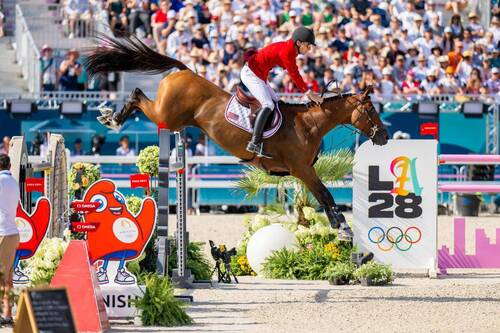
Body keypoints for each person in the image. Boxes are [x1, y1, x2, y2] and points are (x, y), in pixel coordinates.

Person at [240, 26, 323, 158]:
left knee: (277, 104)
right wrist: (308, 93)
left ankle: (269, 141)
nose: (309, 49)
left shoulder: (290, 49)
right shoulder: (287, 51)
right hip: (251, 74)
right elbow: (294, 74)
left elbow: (290, 69)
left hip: (260, 76)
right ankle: (254, 142)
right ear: (299, 43)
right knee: (268, 104)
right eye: (308, 46)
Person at [0, 154, 20, 326]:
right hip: (11, 232)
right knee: (8, 278)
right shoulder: (13, 181)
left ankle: (6, 315)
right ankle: (7, 314)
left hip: (3, 233)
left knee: (3, 278)